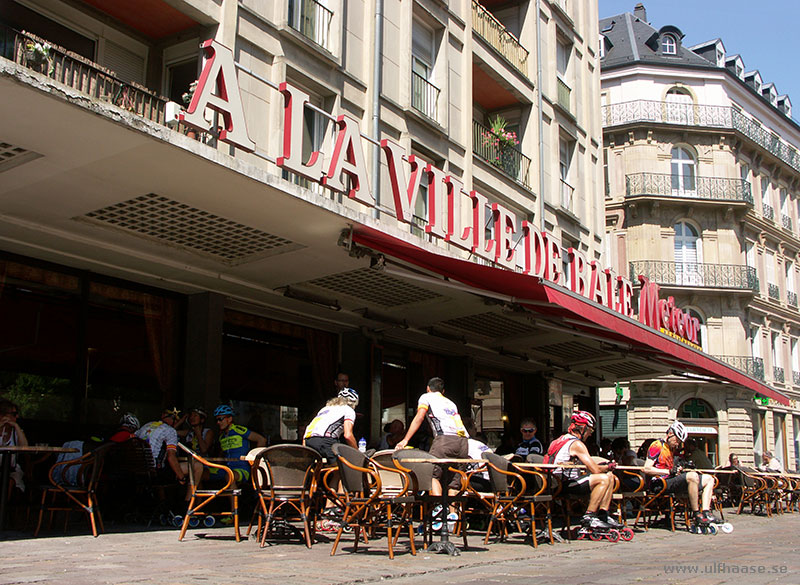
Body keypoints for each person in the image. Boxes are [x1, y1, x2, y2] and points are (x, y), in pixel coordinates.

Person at [545, 411, 621, 537]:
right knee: (603, 479)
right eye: (589, 431)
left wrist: (607, 468)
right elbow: (595, 470)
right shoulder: (577, 444)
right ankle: (589, 517)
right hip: (564, 484)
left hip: (554, 482)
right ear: (582, 429)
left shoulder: (560, 439)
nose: (590, 435)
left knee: (609, 476)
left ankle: (603, 515)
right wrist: (606, 468)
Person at [396, 377, 468, 500]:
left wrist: (405, 439)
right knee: (454, 480)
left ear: (428, 388)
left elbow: (420, 417)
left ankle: (438, 511)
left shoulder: (426, 397)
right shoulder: (451, 403)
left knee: (431, 475)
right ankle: (452, 515)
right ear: (443, 391)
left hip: (444, 439)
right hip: (463, 442)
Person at [642, 421, 715, 533]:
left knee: (709, 479)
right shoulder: (657, 445)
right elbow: (646, 468)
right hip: (659, 482)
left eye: (680, 442)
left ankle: (706, 511)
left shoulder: (672, 449)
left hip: (670, 481)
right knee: (692, 476)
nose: (677, 444)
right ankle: (696, 514)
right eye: (677, 441)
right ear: (670, 434)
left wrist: (679, 468)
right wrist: (669, 471)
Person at [212, 404, 267, 484]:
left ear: (229, 419)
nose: (218, 422)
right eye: (216, 420)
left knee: (229, 476)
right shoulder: (222, 437)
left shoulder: (238, 430)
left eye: (220, 419)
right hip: (227, 468)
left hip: (242, 469)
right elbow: (221, 455)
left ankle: (235, 497)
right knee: (202, 473)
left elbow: (262, 440)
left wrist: (255, 461)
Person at [303, 388, 359, 459]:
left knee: (319, 467)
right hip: (325, 441)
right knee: (343, 467)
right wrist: (358, 453)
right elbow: (348, 435)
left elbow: (309, 429)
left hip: (308, 441)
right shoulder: (348, 410)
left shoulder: (324, 409)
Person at [135, 408, 186, 484]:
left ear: (163, 416)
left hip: (136, 468)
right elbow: (171, 457)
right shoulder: (170, 431)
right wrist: (182, 478)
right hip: (154, 472)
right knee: (195, 467)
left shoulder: (147, 425)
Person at [0, 399, 28, 492]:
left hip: (11, 470)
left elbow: (25, 448)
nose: (17, 416)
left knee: (10, 481)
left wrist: (16, 426)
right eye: (14, 414)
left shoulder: (16, 432)